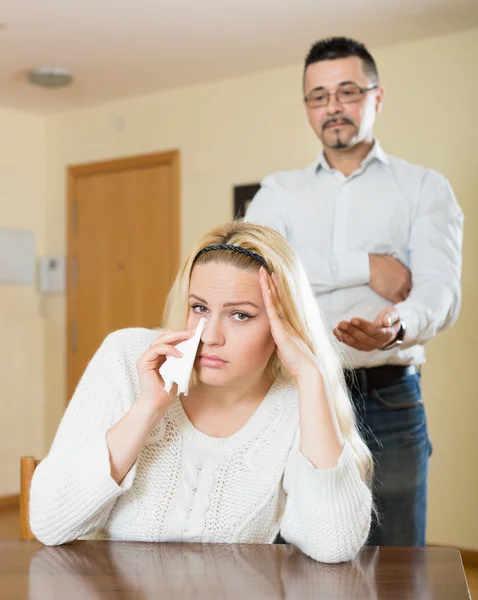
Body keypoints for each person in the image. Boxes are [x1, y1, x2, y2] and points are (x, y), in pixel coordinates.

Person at [30, 222, 373, 563]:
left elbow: (333, 545)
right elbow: (50, 523)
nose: (210, 336)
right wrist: (148, 408)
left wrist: (313, 381)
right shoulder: (126, 356)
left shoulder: (298, 397)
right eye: (199, 308)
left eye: (240, 315)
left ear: (283, 322)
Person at [245, 36, 464, 547]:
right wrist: (365, 265)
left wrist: (396, 327)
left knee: (397, 560)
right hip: (292, 394)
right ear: (306, 107)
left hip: (389, 397)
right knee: (293, 551)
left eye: (347, 92)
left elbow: (440, 290)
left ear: (377, 97)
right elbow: (258, 268)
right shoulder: (280, 192)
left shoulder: (424, 188)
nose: (333, 107)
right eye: (318, 96)